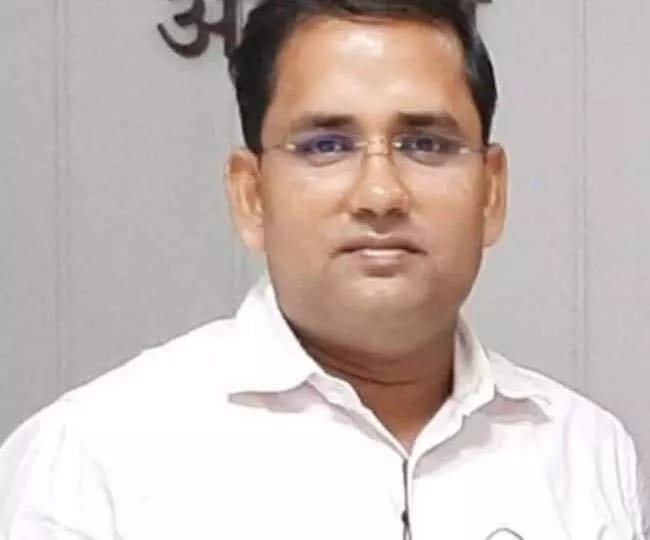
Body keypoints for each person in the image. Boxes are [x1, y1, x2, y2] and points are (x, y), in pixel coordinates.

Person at [0, 0, 648, 538]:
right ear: (251, 196)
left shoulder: (581, 449)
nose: (380, 194)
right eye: (326, 145)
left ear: (491, 192)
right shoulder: (93, 458)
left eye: (425, 143)